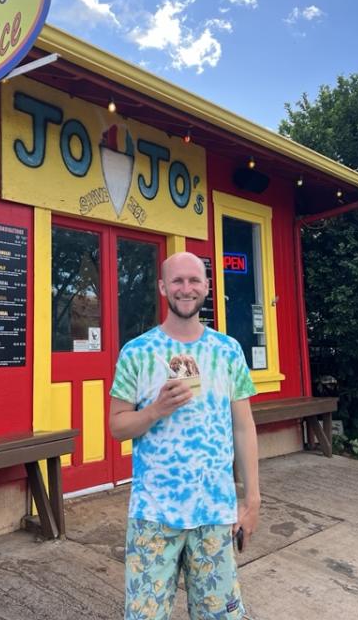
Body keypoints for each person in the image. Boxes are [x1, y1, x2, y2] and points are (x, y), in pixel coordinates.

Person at [109, 251, 260, 619]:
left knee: (220, 616)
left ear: (207, 287)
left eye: (194, 280)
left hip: (214, 511)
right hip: (153, 514)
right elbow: (116, 426)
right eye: (177, 281)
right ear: (162, 287)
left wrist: (252, 499)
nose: (186, 288)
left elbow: (243, 426)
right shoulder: (137, 353)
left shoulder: (228, 351)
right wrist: (156, 409)